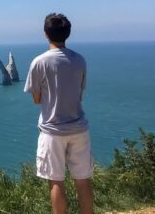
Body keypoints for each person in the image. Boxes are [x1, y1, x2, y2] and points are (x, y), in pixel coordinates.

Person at [24, 13, 93, 214]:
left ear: (46, 34)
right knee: (83, 181)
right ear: (68, 34)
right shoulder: (80, 60)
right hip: (79, 128)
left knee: (56, 182)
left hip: (52, 131)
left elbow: (37, 99)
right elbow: (79, 94)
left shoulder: (39, 62)